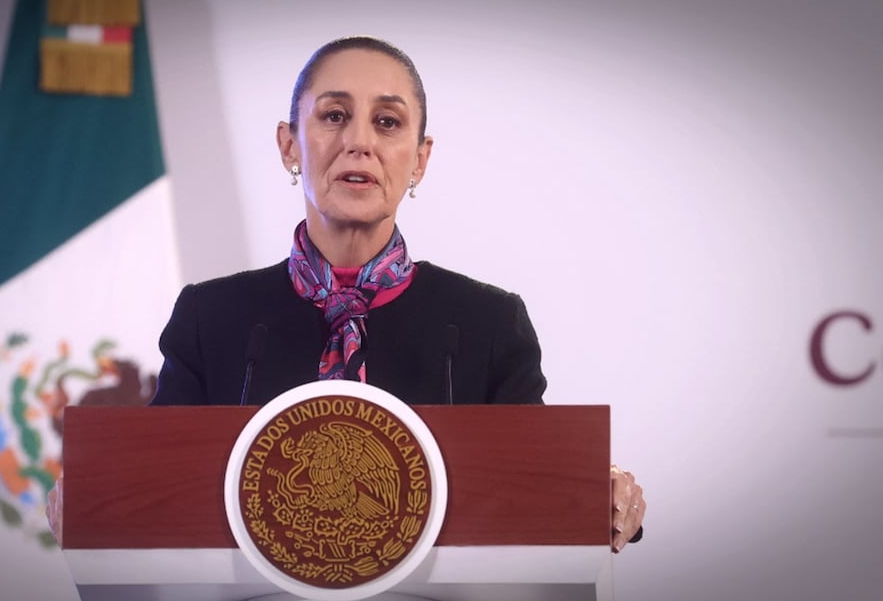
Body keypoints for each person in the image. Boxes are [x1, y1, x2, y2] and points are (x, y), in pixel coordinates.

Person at [48, 35, 646, 553]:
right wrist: (97, 490)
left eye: (387, 122)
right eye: (334, 115)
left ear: (420, 159)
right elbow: (157, 481)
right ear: (288, 145)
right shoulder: (213, 316)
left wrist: (603, 490)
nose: (359, 142)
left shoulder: (489, 322)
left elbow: (538, 485)